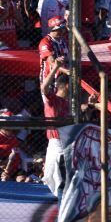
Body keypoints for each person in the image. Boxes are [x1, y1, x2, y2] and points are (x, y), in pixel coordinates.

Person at [41, 62, 69, 197]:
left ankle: (61, 202)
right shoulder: (53, 99)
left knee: (58, 176)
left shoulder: (68, 103)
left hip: (65, 142)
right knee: (50, 175)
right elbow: (44, 87)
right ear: (68, 86)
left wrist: (91, 106)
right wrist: (56, 68)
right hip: (55, 141)